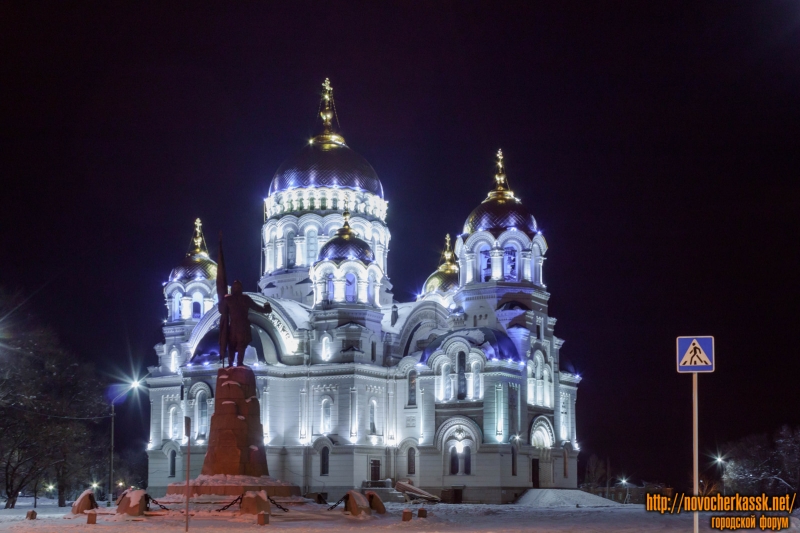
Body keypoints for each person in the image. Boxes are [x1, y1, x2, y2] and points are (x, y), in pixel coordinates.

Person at [219, 280, 271, 367]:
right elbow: (257, 308)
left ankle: (230, 364)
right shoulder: (245, 299)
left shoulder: (228, 299)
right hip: (243, 327)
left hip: (233, 327)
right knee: (241, 345)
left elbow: (221, 311)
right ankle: (239, 363)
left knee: (232, 345)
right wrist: (267, 308)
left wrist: (222, 299)